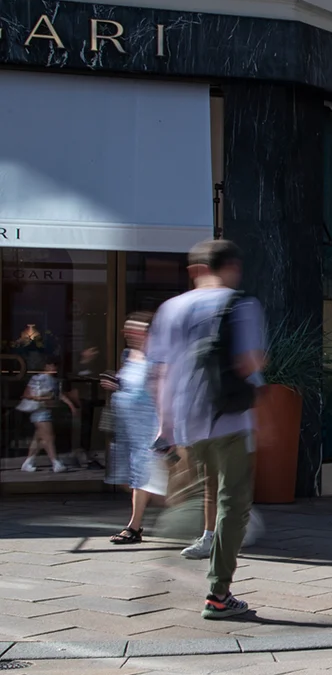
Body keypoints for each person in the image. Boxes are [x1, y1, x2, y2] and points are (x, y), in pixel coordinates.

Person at [150, 239, 266, 620]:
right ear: (232, 265)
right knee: (233, 505)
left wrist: (165, 428)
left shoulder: (170, 309)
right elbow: (250, 362)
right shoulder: (240, 304)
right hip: (229, 419)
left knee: (206, 493)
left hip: (187, 422)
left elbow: (161, 373)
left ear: (194, 270)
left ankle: (191, 550)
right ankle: (218, 594)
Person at [105, 314, 167, 544]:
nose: (132, 334)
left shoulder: (158, 357)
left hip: (151, 429)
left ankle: (134, 527)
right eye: (129, 330)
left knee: (146, 481)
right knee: (142, 482)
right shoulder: (128, 355)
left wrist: (164, 428)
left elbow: (161, 393)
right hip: (131, 430)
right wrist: (115, 384)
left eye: (138, 330)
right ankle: (211, 519)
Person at [19, 360, 77, 473]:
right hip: (39, 410)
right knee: (48, 437)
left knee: (39, 438)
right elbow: (27, 394)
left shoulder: (54, 381)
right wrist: (41, 398)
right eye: (51, 365)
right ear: (45, 366)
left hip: (46, 410)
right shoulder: (38, 378)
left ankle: (28, 462)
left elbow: (59, 395)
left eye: (55, 365)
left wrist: (71, 406)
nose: (53, 368)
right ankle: (55, 462)